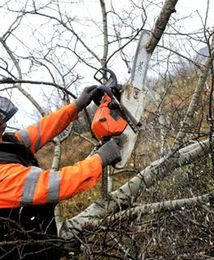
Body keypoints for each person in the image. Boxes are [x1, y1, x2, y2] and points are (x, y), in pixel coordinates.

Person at [0, 86, 121, 259]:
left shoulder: (7, 142)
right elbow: (56, 183)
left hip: (42, 238)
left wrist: (77, 106)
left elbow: (41, 129)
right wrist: (100, 159)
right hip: (25, 252)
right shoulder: (3, 177)